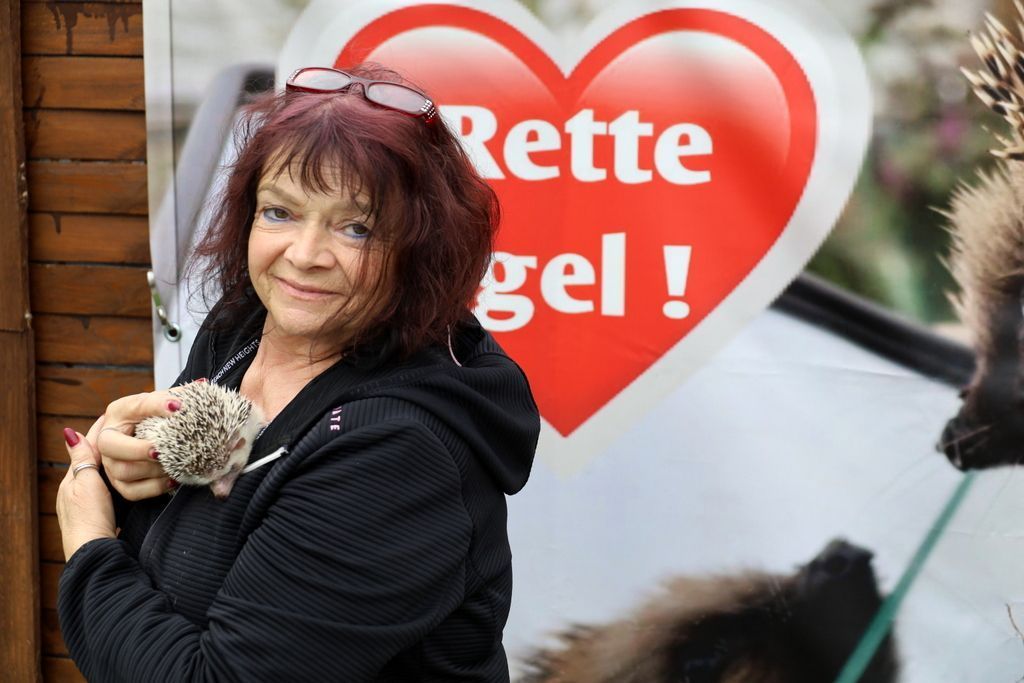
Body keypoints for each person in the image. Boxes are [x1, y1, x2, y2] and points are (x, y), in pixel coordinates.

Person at [55, 63, 539, 682]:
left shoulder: (396, 454)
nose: (305, 257)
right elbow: (187, 536)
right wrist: (124, 459)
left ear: (423, 248)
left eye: (357, 228)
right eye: (280, 212)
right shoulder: (245, 329)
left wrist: (91, 542)